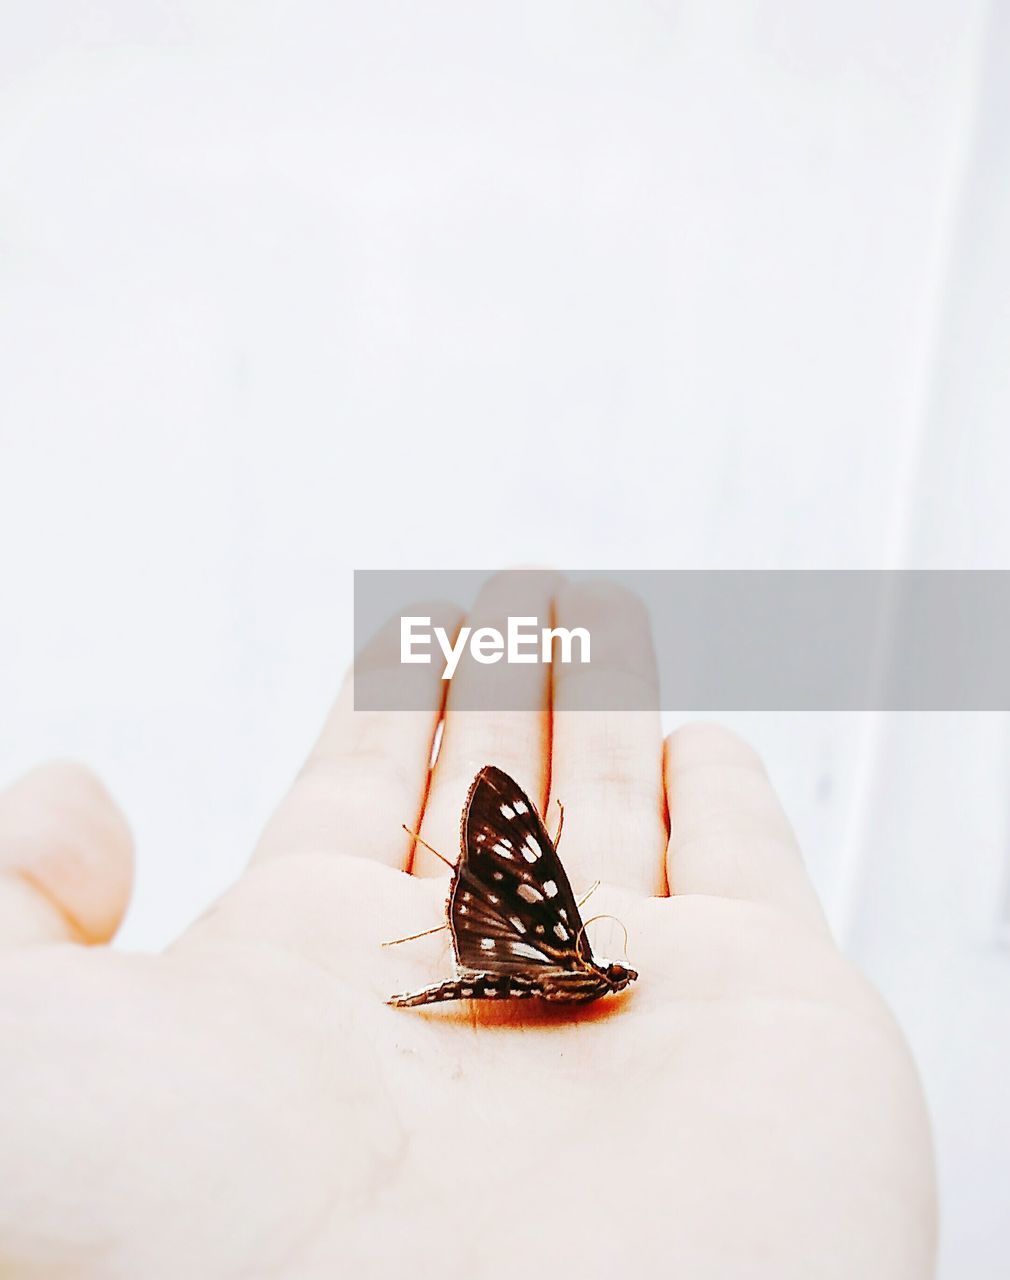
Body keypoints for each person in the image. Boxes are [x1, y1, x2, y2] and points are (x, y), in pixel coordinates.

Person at [0, 576, 936, 1278]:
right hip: (505, 967)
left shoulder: (570, 958)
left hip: (502, 963)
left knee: (485, 970)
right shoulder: (571, 959)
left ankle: (461, 972)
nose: (613, 981)